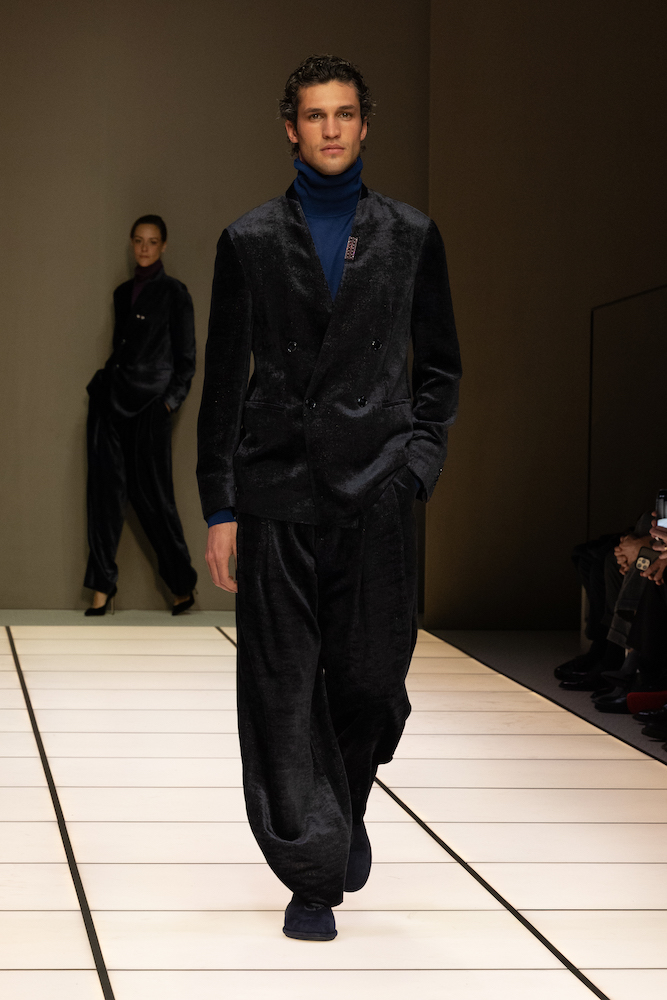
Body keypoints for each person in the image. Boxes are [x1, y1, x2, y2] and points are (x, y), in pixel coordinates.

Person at [197, 55, 461, 941]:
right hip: (276, 490)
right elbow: (222, 387)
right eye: (315, 115)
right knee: (281, 690)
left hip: (376, 491)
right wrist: (220, 507)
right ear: (291, 128)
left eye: (345, 113)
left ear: (364, 124)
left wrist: (417, 463)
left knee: (371, 683)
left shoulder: (410, 235)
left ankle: (342, 803)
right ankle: (311, 875)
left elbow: (440, 368)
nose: (331, 129)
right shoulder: (247, 241)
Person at [84, 215, 198, 615]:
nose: (144, 248)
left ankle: (182, 586)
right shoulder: (121, 293)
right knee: (104, 497)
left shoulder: (175, 293)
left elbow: (186, 360)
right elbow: (122, 350)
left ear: (163, 245)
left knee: (154, 499)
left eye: (152, 241)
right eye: (138, 240)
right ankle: (101, 587)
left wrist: (168, 403)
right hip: (111, 404)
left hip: (150, 407)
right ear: (132, 244)